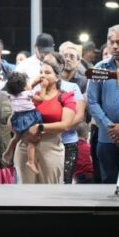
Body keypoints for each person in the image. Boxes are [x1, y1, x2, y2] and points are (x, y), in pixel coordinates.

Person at [86, 25, 119, 184]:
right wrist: (110, 128)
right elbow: (92, 101)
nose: (114, 46)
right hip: (106, 139)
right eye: (111, 41)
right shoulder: (100, 68)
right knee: (107, 187)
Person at [14, 61, 77, 184]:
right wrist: (30, 86)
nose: (43, 75)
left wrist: (40, 127)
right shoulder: (32, 95)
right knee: (25, 190)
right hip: (25, 145)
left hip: (50, 147)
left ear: (57, 77)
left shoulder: (65, 97)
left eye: (47, 72)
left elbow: (66, 125)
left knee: (50, 191)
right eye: (41, 72)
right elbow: (15, 117)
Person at [46, 50, 87, 184]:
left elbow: (80, 115)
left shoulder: (72, 87)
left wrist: (62, 127)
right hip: (45, 142)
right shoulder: (37, 88)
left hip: (68, 141)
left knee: (65, 181)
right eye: (44, 63)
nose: (46, 66)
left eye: (50, 64)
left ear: (60, 66)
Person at [0, 71, 39, 173]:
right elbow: (41, 99)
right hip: (28, 119)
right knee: (32, 140)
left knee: (15, 137)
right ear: (24, 86)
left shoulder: (11, 95)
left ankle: (7, 153)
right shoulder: (28, 94)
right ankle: (30, 161)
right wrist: (40, 86)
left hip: (16, 119)